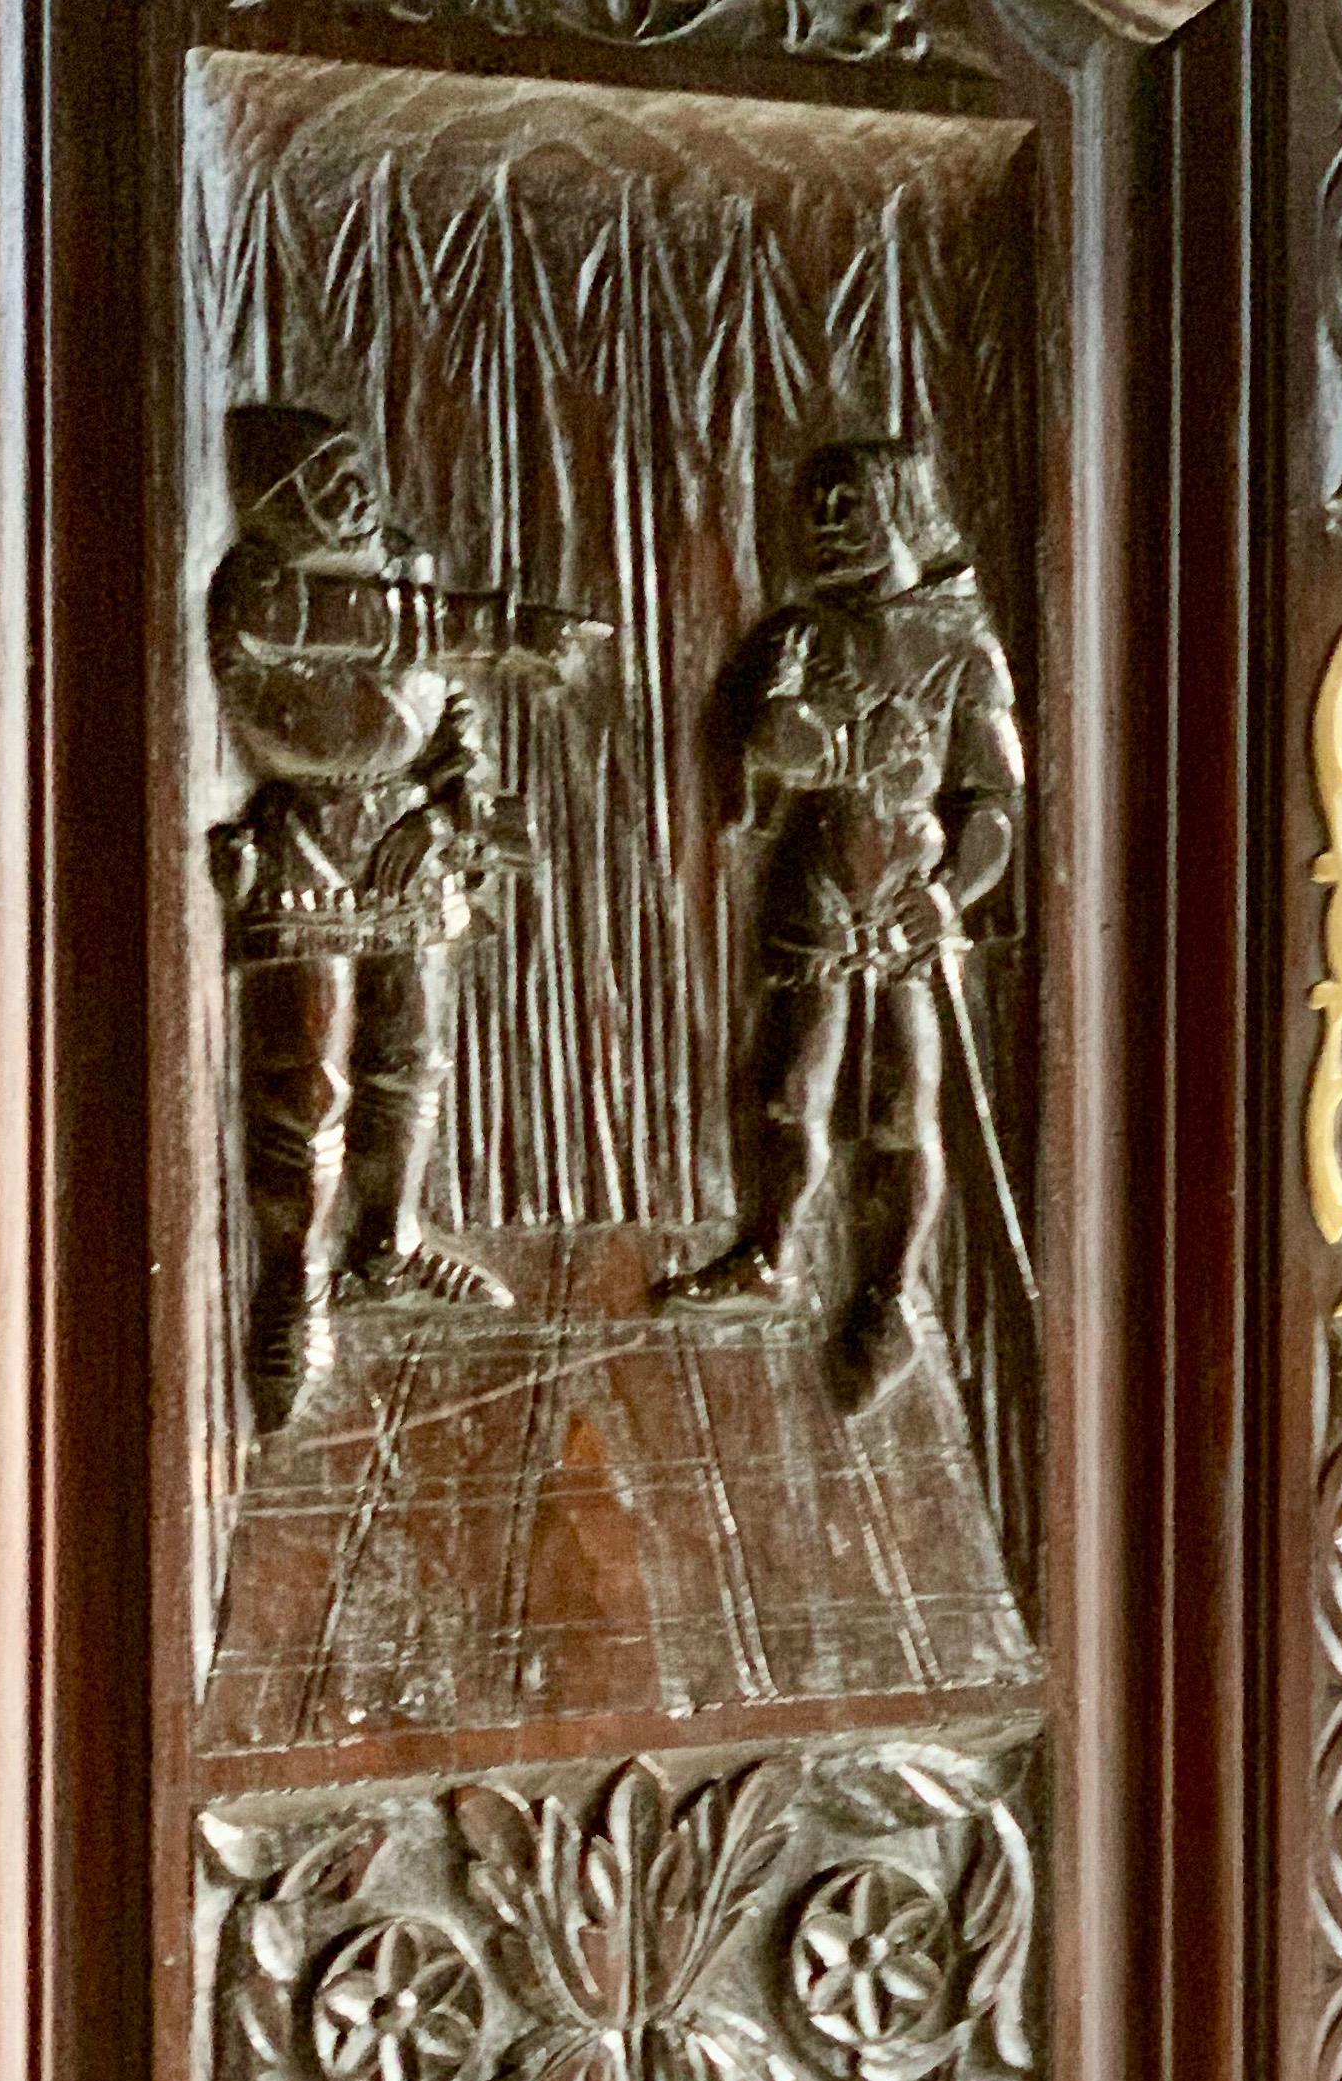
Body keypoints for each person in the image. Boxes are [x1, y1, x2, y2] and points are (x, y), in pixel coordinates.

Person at [208, 404, 606, 1430]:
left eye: (351, 470)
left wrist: (462, 782)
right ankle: (296, 1281)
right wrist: (497, 627)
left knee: (412, 1051)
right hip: (309, 835)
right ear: (275, 498)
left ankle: (390, 1238)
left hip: (404, 832)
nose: (351, 493)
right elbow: (350, 629)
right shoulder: (260, 584)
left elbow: (442, 699)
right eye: (321, 479)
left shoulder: (404, 563)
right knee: (309, 1074)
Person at [663, 433, 1025, 1409]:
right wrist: (820, 740)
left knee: (901, 1108)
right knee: (791, 1081)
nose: (825, 528)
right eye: (814, 509)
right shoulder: (801, 636)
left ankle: (886, 1296)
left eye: (847, 505)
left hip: (908, 889)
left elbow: (992, 801)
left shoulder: (958, 636)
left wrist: (951, 891)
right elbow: (771, 734)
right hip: (816, 876)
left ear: (900, 507)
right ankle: (769, 1248)